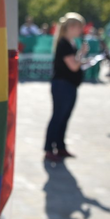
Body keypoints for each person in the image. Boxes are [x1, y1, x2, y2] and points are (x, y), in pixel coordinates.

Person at [44, 12, 87, 161]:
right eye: (79, 27)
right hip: (62, 85)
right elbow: (73, 66)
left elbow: (74, 64)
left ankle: (60, 146)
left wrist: (81, 55)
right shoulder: (64, 43)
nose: (81, 30)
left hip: (69, 85)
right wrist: (82, 56)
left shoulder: (71, 43)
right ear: (71, 27)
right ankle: (49, 148)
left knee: (64, 118)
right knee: (58, 117)